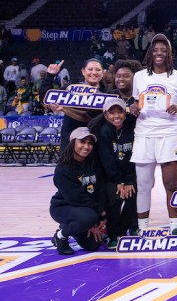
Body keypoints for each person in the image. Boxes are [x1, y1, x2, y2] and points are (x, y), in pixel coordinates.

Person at [130, 34, 177, 235]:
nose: (159, 53)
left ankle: (174, 227)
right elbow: (135, 102)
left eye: (163, 50)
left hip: (169, 133)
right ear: (150, 52)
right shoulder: (139, 76)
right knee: (143, 185)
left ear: (169, 53)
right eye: (155, 49)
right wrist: (133, 108)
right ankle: (143, 228)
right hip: (144, 133)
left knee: (171, 183)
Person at [50, 127, 107, 256]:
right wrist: (97, 215)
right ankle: (60, 236)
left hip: (88, 209)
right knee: (88, 218)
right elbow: (76, 197)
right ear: (73, 143)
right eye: (82, 142)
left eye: (90, 143)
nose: (86, 146)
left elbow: (100, 190)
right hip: (64, 207)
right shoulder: (63, 168)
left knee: (93, 245)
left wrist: (102, 216)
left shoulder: (94, 164)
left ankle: (74, 227)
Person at [92, 97, 137, 249]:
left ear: (125, 113)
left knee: (133, 196)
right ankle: (112, 235)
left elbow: (134, 155)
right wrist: (119, 181)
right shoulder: (104, 131)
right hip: (111, 175)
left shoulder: (132, 128)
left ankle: (122, 231)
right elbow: (107, 160)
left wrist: (128, 181)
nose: (116, 116)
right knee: (116, 199)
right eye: (112, 113)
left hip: (129, 173)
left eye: (120, 112)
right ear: (105, 115)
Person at [40, 59, 105, 151]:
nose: (94, 72)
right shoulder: (70, 89)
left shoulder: (108, 93)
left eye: (98, 70)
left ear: (102, 73)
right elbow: (44, 97)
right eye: (90, 69)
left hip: (97, 140)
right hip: (70, 139)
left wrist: (66, 109)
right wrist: (50, 75)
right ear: (83, 71)